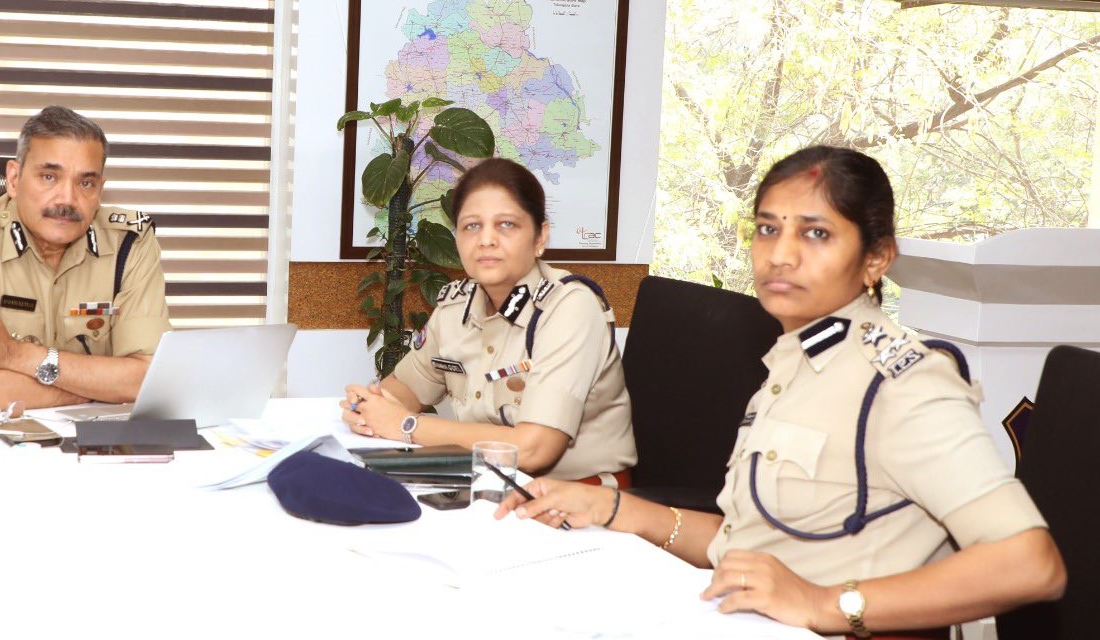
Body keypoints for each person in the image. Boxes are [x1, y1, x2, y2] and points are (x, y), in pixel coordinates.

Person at [495, 146, 1065, 638]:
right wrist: (614, 507)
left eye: (816, 233)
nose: (780, 254)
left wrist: (825, 602)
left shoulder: (902, 384)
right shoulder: (793, 362)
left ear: (877, 258)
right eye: (769, 228)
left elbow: (1030, 565)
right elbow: (753, 547)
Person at [340, 158, 637, 485]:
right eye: (471, 226)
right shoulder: (455, 306)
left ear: (540, 238)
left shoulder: (569, 308)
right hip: (488, 481)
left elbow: (535, 449)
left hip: (580, 497)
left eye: (507, 224)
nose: (486, 240)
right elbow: (402, 392)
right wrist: (368, 410)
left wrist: (405, 425)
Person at [0, 106, 171, 412]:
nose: (67, 199)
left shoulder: (130, 242)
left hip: (91, 439)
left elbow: (146, 380)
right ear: (13, 179)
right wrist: (97, 389)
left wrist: (15, 355)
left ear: (100, 191)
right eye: (49, 176)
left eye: (85, 183)